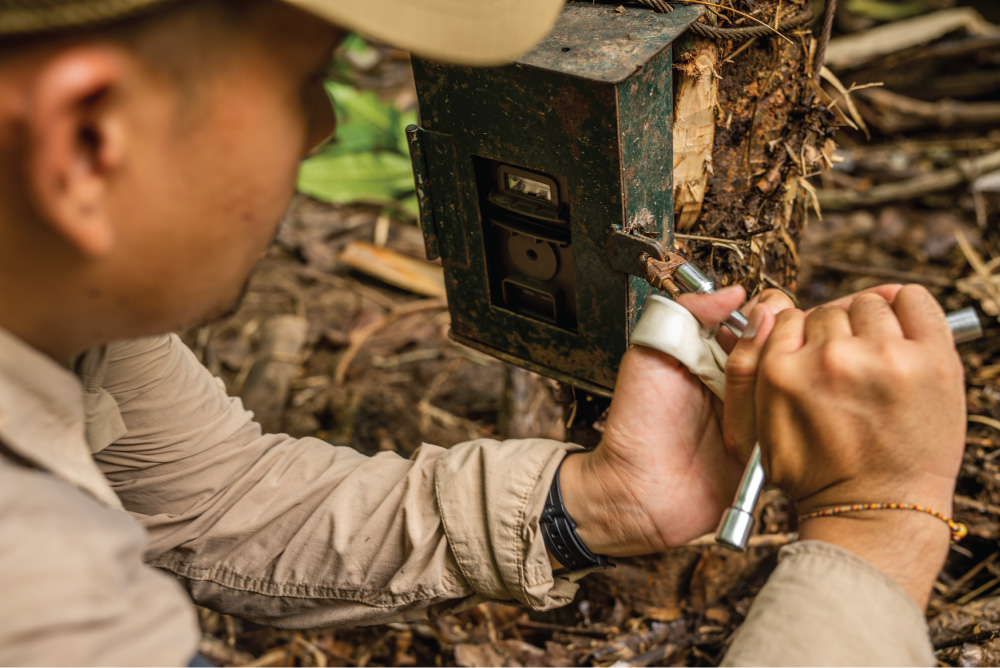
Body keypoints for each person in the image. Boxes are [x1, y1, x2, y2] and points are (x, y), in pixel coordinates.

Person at [0, 1, 968, 665]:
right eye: (308, 80)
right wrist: (878, 529)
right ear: (88, 140)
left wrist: (601, 498)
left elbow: (204, 502)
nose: (317, 134)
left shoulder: (46, 310)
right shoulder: (38, 596)